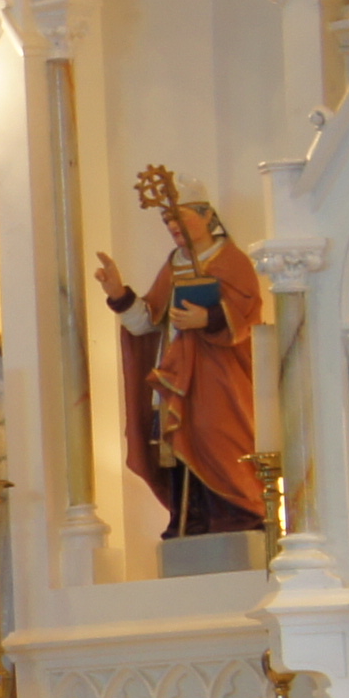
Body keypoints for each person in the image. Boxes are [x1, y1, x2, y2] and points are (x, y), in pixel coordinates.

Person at [93, 172, 270, 540]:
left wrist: (209, 318)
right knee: (174, 441)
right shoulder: (175, 263)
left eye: (179, 216)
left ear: (207, 216)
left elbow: (249, 313)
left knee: (219, 436)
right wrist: (118, 293)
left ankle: (236, 514)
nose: (172, 225)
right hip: (177, 373)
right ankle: (190, 518)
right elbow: (147, 322)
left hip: (220, 375)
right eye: (167, 219)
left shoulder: (231, 260)